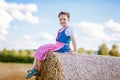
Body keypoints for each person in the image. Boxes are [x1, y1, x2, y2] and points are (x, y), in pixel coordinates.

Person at [26, 11, 77, 79]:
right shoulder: (60, 29)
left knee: (41, 49)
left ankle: (36, 70)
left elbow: (73, 39)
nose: (62, 21)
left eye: (64, 19)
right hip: (57, 45)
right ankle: (35, 69)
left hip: (63, 46)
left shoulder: (69, 29)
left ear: (68, 19)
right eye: (60, 19)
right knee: (39, 50)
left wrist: (75, 50)